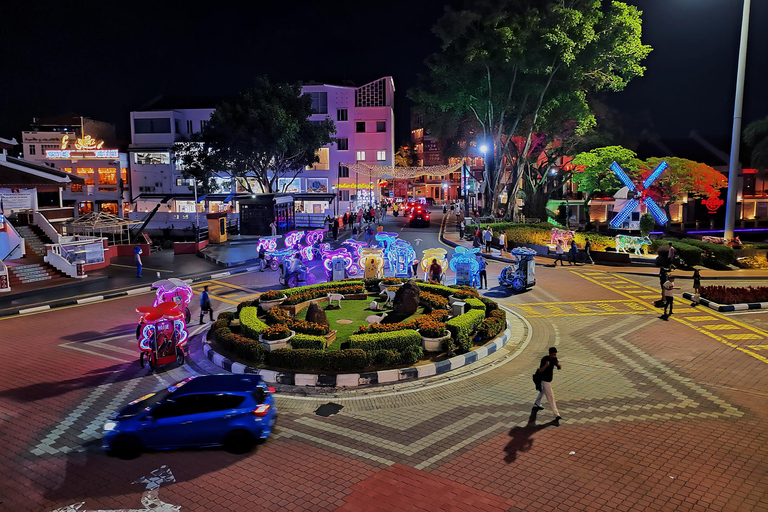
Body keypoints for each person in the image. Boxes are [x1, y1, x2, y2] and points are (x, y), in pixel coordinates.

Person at [533, 347, 562, 421]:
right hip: (543, 380)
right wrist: (546, 365)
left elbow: (556, 364)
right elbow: (540, 371)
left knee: (542, 391)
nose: (554, 356)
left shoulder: (554, 358)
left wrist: (558, 365)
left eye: (555, 354)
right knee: (551, 397)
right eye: (552, 354)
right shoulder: (544, 359)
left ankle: (537, 403)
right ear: (549, 354)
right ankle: (556, 414)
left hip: (548, 380)